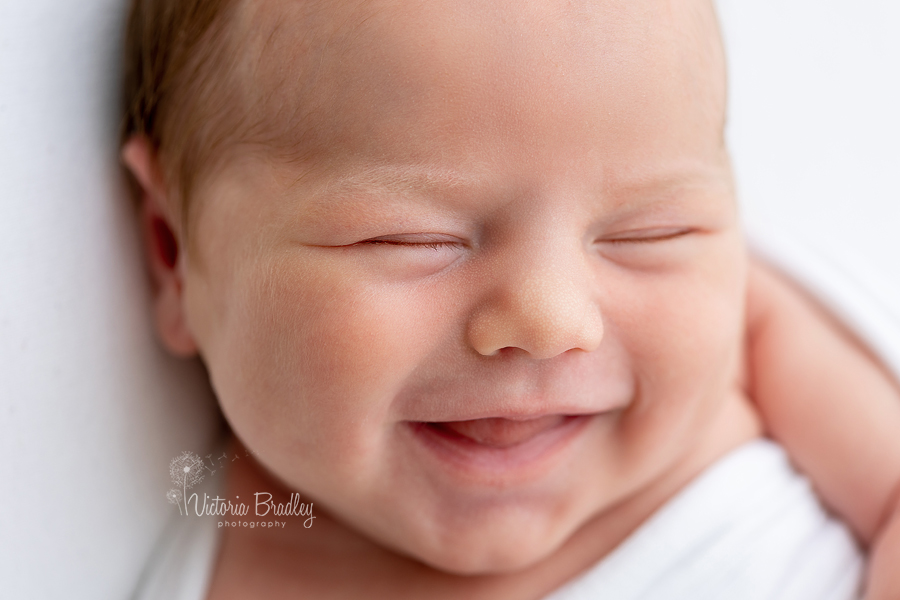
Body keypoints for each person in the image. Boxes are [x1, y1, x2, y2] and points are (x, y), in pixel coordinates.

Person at [120, 0, 900, 597]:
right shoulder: (201, 521)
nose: (550, 320)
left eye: (648, 233)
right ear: (175, 253)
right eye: (410, 240)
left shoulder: (760, 337)